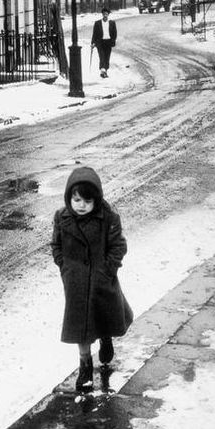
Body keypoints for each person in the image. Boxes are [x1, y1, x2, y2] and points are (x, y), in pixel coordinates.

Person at [51, 166, 133, 392]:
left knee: (102, 315)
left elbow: (118, 246)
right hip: (75, 283)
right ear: (69, 198)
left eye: (87, 201)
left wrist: (107, 270)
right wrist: (64, 265)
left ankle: (106, 338)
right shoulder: (62, 218)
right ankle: (85, 365)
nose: (81, 205)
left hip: (101, 280)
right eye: (76, 200)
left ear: (96, 200)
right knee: (80, 327)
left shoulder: (108, 217)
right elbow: (56, 244)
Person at [91, 6, 117, 78]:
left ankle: (105, 71)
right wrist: (93, 43)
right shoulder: (97, 23)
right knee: (102, 57)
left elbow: (114, 33)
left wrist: (113, 40)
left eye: (106, 14)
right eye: (104, 14)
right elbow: (94, 34)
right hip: (100, 42)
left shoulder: (112, 23)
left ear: (108, 15)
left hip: (108, 42)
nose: (105, 15)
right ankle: (102, 71)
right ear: (102, 14)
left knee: (107, 57)